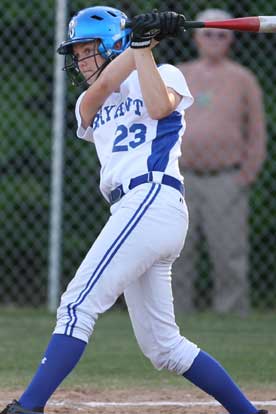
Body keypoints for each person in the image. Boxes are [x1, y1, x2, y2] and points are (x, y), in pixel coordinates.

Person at [1, 6, 268, 414]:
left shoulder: (169, 75)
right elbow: (106, 83)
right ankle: (250, 413)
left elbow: (160, 107)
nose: (78, 59)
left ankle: (29, 406)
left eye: (87, 49)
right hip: (135, 210)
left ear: (111, 45)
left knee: (77, 304)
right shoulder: (87, 103)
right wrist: (142, 43)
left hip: (152, 200)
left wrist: (145, 48)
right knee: (164, 346)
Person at [173, 9, 267, 315]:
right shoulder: (179, 73)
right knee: (176, 250)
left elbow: (256, 130)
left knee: (229, 252)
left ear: (230, 39)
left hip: (226, 179)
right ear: (197, 37)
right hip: (180, 177)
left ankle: (232, 314)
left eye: (221, 34)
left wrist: (247, 174)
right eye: (208, 33)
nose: (214, 39)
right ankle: (174, 314)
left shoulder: (243, 79)